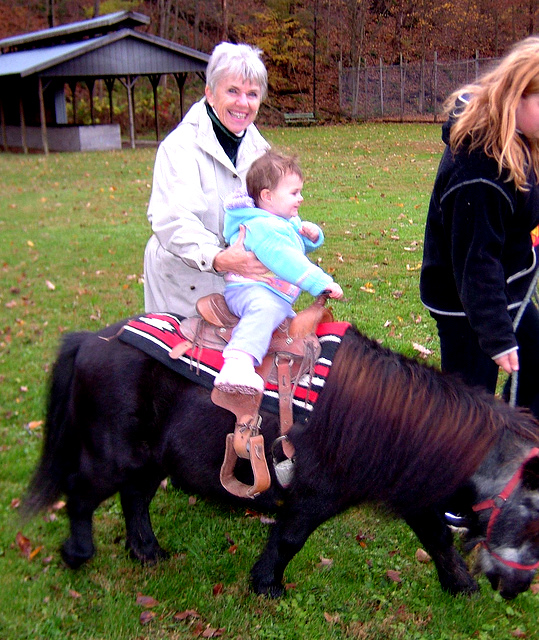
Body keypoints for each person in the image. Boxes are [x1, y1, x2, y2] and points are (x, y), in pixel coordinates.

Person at [420, 36, 539, 418]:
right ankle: (456, 471)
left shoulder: (517, 136)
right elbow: (477, 262)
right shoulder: (481, 170)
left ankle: (516, 445)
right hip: (470, 306)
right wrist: (497, 338)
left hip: (506, 290)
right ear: (518, 94)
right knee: (468, 410)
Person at [144, 42, 271, 318]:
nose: (243, 103)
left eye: (252, 94)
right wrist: (218, 258)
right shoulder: (179, 147)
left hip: (240, 284)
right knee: (185, 359)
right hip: (182, 286)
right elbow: (175, 220)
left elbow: (271, 212)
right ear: (210, 94)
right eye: (232, 91)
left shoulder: (260, 152)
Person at [213, 151, 343, 394]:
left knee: (284, 319)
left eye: (300, 191)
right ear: (267, 196)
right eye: (294, 193)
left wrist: (313, 237)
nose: (301, 198)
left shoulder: (278, 220)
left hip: (272, 291)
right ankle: (237, 363)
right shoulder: (263, 228)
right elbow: (288, 261)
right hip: (251, 291)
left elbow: (295, 242)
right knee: (266, 311)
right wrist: (321, 282)